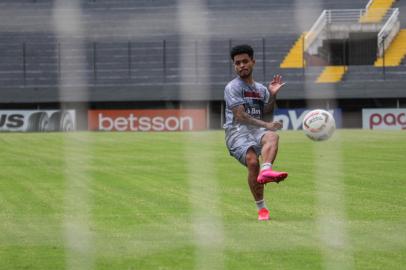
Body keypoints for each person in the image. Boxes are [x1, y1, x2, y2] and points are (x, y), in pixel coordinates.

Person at [224, 44, 288, 221]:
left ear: (253, 62)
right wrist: (266, 125)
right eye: (237, 63)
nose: (241, 65)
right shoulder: (232, 87)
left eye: (245, 61)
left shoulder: (260, 89)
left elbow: (267, 112)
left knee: (273, 136)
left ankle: (267, 169)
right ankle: (262, 209)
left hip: (256, 130)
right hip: (236, 132)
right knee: (252, 162)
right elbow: (240, 116)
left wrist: (273, 94)